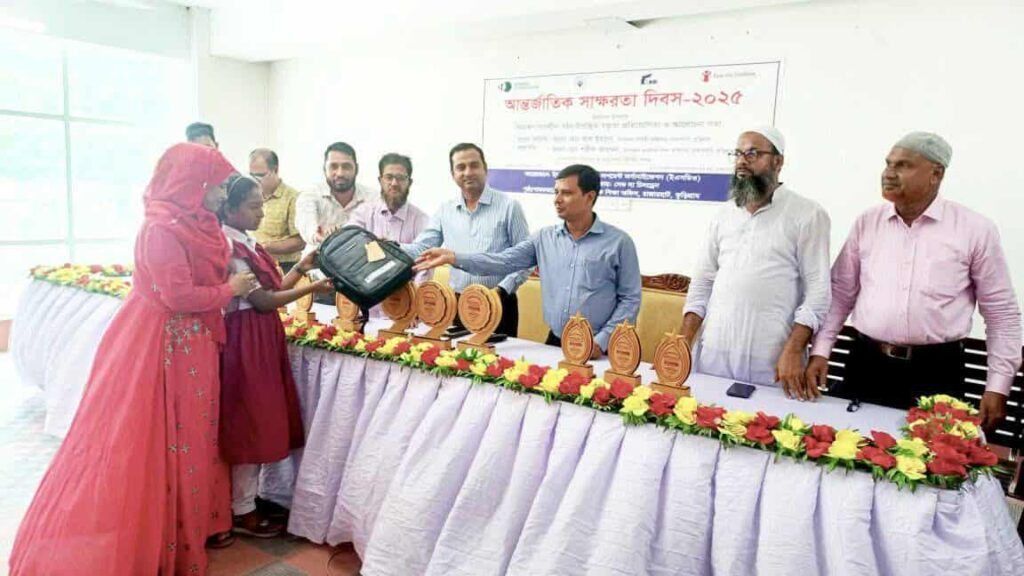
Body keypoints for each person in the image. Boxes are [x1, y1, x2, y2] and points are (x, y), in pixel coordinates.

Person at [10, 143, 258, 575]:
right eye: (217, 186)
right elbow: (176, 295)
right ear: (193, 184)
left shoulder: (200, 223)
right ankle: (155, 536)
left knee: (194, 435)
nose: (222, 194)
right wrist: (229, 290)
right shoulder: (160, 229)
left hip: (196, 342)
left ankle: (188, 527)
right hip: (162, 346)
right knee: (161, 439)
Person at [807, 132, 1021, 432]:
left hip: (937, 372)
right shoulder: (867, 222)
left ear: (936, 174)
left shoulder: (975, 229)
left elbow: (1001, 314)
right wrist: (820, 351)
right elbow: (841, 294)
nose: (889, 173)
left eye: (903, 165)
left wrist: (997, 387)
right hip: (866, 365)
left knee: (929, 457)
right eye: (888, 163)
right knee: (851, 451)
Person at [414, 164, 640, 355]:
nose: (557, 200)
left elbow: (630, 299)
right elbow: (503, 261)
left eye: (567, 193)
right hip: (555, 342)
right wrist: (454, 257)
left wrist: (601, 341)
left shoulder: (619, 243)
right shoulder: (543, 238)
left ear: (589, 197)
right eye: (556, 192)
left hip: (600, 348)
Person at [218, 175, 331, 538]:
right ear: (230, 209)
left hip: (261, 335)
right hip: (245, 338)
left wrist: (301, 267)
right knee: (248, 423)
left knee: (260, 419)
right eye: (254, 206)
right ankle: (241, 508)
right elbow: (264, 301)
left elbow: (274, 287)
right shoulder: (229, 247)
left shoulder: (249, 241)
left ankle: (248, 500)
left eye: (261, 205)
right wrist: (314, 287)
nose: (261, 213)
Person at [680, 127, 831, 398]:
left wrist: (794, 349)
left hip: (773, 361)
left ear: (778, 162)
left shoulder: (807, 214)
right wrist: (682, 341)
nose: (742, 161)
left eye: (752, 153)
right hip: (714, 355)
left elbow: (819, 291)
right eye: (738, 154)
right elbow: (702, 284)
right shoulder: (723, 215)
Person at [403, 143, 530, 336]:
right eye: (461, 167)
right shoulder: (445, 210)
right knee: (458, 355)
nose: (468, 172)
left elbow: (525, 259)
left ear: (485, 168)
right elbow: (422, 247)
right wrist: (390, 247)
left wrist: (501, 291)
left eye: (474, 165)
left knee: (497, 356)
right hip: (459, 303)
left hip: (499, 302)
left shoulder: (509, 207)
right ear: (453, 174)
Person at [348, 153, 430, 317]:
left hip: (405, 310)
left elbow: (425, 266)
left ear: (409, 182)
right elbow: (350, 248)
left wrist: (414, 307)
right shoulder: (362, 213)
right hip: (365, 307)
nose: (394, 183)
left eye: (400, 178)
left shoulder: (422, 220)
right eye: (389, 177)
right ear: (380, 180)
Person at [295, 141, 375, 249]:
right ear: (324, 169)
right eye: (333, 167)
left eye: (346, 167)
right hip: (319, 255)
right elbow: (307, 226)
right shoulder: (310, 195)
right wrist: (320, 237)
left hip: (361, 256)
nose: (340, 173)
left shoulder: (372, 197)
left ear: (356, 169)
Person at [249, 148, 305, 272]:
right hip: (256, 263)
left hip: (286, 267)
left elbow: (300, 241)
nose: (254, 180)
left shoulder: (293, 198)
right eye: (251, 175)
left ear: (275, 170)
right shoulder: (250, 196)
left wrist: (266, 247)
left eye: (260, 175)